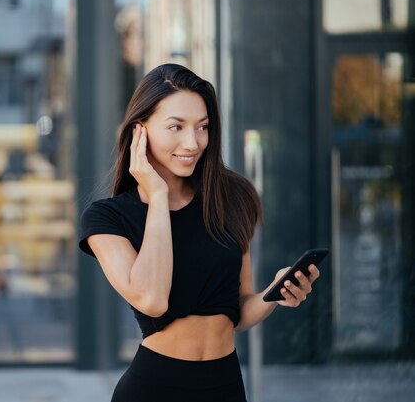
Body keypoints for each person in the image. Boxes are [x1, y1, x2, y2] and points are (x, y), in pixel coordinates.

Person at [78, 63, 320, 402]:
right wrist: (158, 195)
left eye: (202, 127)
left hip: (224, 385)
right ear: (140, 130)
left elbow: (236, 310)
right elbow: (152, 299)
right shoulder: (108, 219)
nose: (192, 142)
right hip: (153, 388)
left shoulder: (231, 197)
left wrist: (274, 294)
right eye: (176, 127)